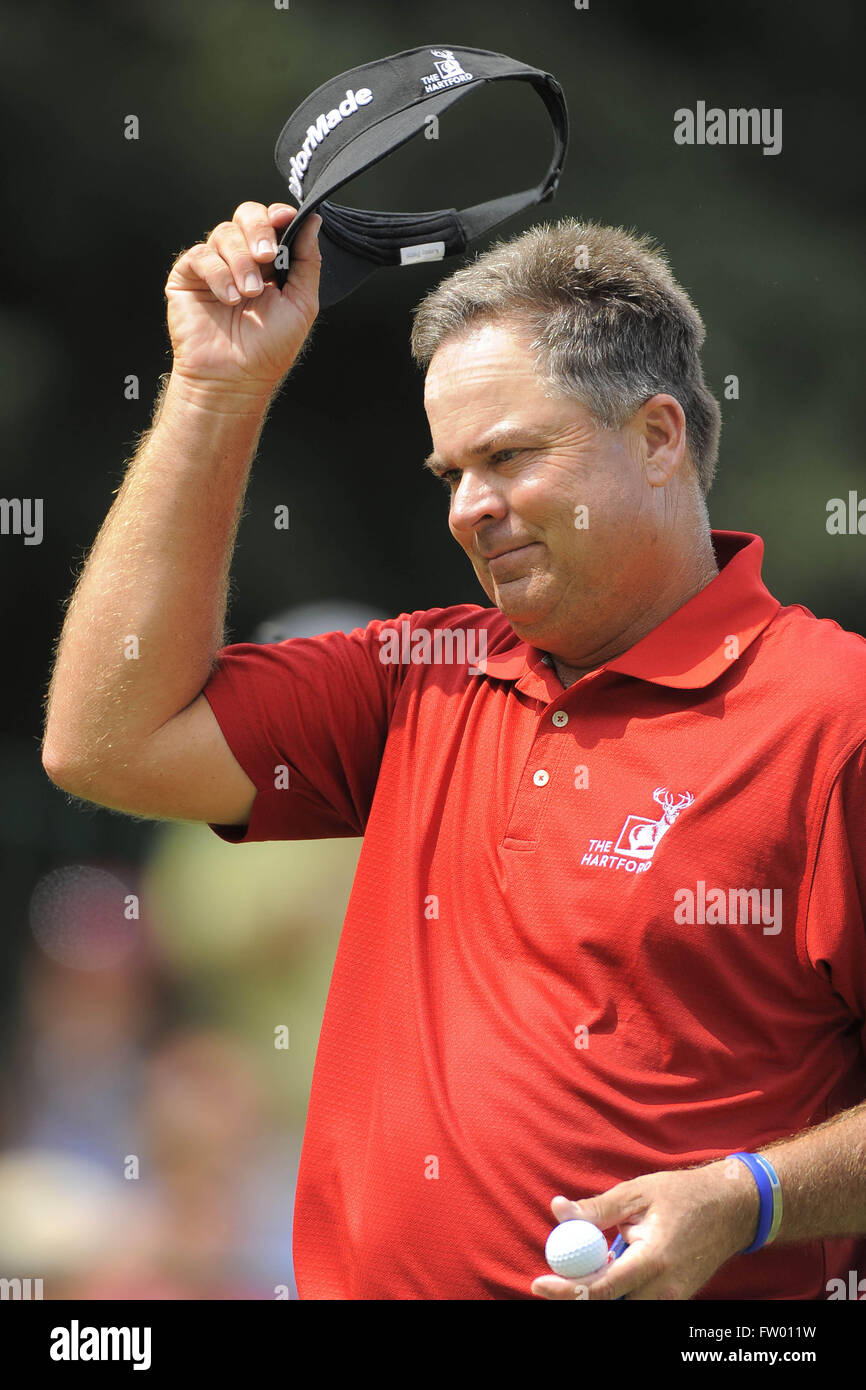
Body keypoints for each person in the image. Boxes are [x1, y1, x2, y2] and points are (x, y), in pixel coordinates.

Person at [42, 201, 866, 1301]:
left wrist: (747, 1196)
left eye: (508, 456)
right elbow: (106, 740)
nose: (468, 510)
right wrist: (213, 391)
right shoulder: (421, 671)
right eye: (449, 475)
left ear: (657, 437)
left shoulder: (833, 712)